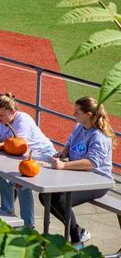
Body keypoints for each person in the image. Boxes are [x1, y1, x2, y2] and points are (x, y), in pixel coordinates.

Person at [43, 96, 115, 248]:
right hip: (78, 176)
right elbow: (70, 143)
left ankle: (76, 240)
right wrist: (63, 153)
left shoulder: (99, 136)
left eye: (77, 112)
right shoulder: (79, 126)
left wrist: (63, 166)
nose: (73, 114)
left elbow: (91, 163)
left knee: (59, 199)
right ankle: (78, 231)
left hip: (98, 182)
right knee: (45, 196)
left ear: (88, 114)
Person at [0, 94, 57, 229]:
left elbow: (17, 144)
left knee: (22, 183)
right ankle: (7, 213)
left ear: (13, 112)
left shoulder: (23, 119)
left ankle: (28, 224)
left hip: (41, 155)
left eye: (2, 116)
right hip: (20, 156)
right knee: (3, 176)